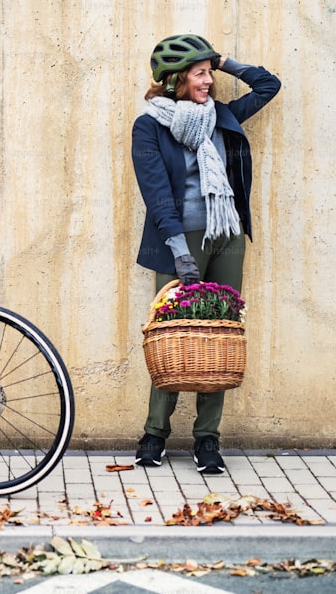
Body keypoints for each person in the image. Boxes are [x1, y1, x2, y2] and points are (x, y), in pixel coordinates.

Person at [130, 33, 280, 473]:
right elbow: (156, 192)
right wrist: (179, 252)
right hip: (182, 238)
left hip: (227, 232)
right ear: (176, 79)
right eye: (200, 73)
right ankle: (154, 434)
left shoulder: (223, 115)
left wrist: (224, 60)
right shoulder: (150, 125)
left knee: (221, 331)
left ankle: (207, 439)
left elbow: (268, 85)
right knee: (172, 332)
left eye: (209, 72)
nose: (209, 81)